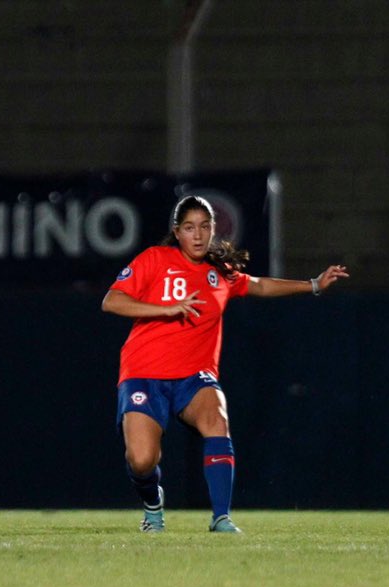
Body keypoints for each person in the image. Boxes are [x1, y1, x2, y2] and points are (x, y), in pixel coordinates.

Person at [102, 195, 348, 534]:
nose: (198, 235)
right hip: (144, 372)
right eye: (190, 228)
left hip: (194, 376)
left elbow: (259, 285)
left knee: (217, 420)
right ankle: (153, 503)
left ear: (213, 230)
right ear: (177, 231)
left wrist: (314, 285)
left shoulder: (220, 273)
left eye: (205, 227)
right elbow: (112, 301)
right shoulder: (156, 259)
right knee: (142, 460)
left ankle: (221, 517)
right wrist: (166, 309)